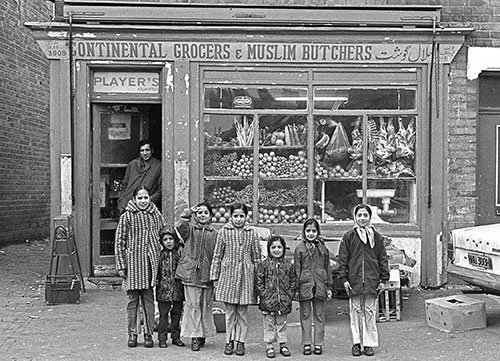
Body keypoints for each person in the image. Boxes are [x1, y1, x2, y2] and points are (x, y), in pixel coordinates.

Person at [115, 185, 166, 348]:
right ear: (134, 199)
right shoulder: (127, 216)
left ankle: (149, 333)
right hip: (133, 264)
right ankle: (132, 333)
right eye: (140, 198)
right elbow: (120, 241)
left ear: (149, 198)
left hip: (150, 263)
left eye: (146, 198)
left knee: (149, 300)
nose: (143, 201)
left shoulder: (155, 214)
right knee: (132, 301)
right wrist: (121, 265)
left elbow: (164, 232)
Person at [210, 202, 261, 356]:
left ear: (246, 217)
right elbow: (217, 256)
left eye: (241, 216)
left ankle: (241, 342)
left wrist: (258, 277)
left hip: (246, 277)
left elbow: (257, 257)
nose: (238, 219)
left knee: (242, 313)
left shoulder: (251, 233)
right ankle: (229, 340)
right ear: (230, 216)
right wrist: (215, 277)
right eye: (235, 216)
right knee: (230, 311)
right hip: (228, 276)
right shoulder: (224, 232)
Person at [338, 204, 389, 357]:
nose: (362, 218)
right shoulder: (349, 237)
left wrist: (383, 278)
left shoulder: (376, 237)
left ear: (369, 217)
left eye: (365, 215)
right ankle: (356, 342)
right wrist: (344, 278)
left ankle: (368, 343)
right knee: (355, 311)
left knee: (370, 311)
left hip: (371, 279)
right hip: (354, 279)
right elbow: (343, 259)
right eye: (359, 215)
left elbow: (382, 258)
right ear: (355, 217)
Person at [175, 201, 218, 351]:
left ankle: (203, 335)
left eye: (206, 213)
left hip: (206, 274)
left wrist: (215, 274)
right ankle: (194, 335)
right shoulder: (190, 230)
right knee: (192, 305)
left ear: (210, 216)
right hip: (190, 273)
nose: (202, 215)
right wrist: (188, 212)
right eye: (200, 213)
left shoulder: (215, 234)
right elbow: (180, 226)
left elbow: (217, 255)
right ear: (196, 215)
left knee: (205, 305)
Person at [294, 218, 333, 356]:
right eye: (308, 231)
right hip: (305, 286)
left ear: (318, 232)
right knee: (305, 315)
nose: (311, 233)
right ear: (304, 232)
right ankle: (306, 343)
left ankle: (318, 343)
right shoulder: (300, 248)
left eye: (314, 231)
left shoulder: (323, 249)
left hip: (321, 284)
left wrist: (329, 286)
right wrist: (296, 288)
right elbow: (296, 270)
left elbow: (328, 267)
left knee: (320, 315)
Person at [256, 235, 296, 359]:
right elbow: (259, 281)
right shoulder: (264, 265)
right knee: (269, 324)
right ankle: (269, 345)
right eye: (273, 247)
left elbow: (293, 281)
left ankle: (282, 344)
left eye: (279, 247)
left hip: (283, 301)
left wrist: (289, 295)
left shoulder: (288, 265)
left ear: (284, 249)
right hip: (268, 301)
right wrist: (263, 295)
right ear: (269, 249)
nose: (276, 250)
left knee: (282, 323)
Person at [156, 224, 185, 349]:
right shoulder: (160, 255)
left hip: (178, 288)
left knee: (177, 313)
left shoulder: (180, 254)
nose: (168, 242)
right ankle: (162, 338)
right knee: (163, 314)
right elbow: (157, 272)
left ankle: (176, 337)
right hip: (163, 289)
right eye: (165, 239)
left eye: (171, 239)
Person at [118, 139, 162, 214]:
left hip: (146, 207)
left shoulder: (158, 166)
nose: (145, 153)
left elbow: (161, 189)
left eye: (147, 150)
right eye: (142, 151)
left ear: (152, 151)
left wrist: (147, 200)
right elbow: (124, 184)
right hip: (127, 204)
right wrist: (122, 199)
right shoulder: (132, 165)